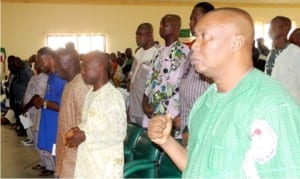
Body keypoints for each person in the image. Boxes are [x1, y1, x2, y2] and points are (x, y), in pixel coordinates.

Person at [148, 8, 300, 178]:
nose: (195, 45)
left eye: (204, 36)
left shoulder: (270, 106)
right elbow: (195, 168)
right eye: (196, 37)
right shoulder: (204, 102)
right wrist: (166, 141)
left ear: (236, 43)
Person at [65, 50, 127, 178]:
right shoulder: (91, 93)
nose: (81, 72)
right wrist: (78, 129)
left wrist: (86, 136)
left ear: (100, 68)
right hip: (89, 160)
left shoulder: (112, 96)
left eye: (85, 68)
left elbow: (119, 133)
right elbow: (90, 122)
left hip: (105, 165)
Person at [142, 14, 190, 131]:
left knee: (166, 144)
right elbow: (150, 78)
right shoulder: (158, 51)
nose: (161, 27)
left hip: (169, 108)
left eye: (165, 25)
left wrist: (152, 101)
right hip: (151, 108)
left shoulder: (182, 51)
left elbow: (173, 84)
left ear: (176, 27)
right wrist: (144, 100)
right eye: (160, 24)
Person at [178, 1, 214, 146]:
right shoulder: (193, 49)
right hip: (188, 123)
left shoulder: (213, 50)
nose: (191, 23)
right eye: (190, 19)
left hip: (205, 125)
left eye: (194, 18)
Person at [55, 49, 90, 178]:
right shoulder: (70, 83)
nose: (56, 68)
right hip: (67, 152)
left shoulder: (80, 85)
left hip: (75, 156)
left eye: (58, 64)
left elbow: (86, 122)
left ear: (69, 64)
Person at [33, 47, 66, 176]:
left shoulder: (60, 78)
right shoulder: (51, 77)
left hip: (57, 129)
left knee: (60, 161)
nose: (39, 65)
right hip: (50, 129)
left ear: (48, 57)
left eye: (40, 61)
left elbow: (63, 106)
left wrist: (44, 103)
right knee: (55, 159)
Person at [128, 23, 159, 126]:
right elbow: (132, 76)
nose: (137, 38)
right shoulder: (139, 52)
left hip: (145, 108)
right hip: (133, 104)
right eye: (136, 34)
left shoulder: (157, 54)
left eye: (140, 34)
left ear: (150, 35)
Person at [265, 16, 300, 104]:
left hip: (291, 104)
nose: (269, 30)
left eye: (273, 26)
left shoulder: (296, 52)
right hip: (272, 102)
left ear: (285, 29)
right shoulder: (271, 53)